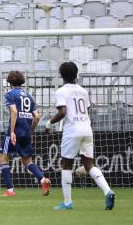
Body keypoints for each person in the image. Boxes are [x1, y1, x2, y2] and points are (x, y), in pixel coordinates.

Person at [45, 62, 115, 210]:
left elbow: (63, 112)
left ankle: (68, 202)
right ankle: (108, 191)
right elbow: (87, 111)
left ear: (61, 74)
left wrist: (49, 123)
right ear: (76, 74)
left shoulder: (61, 91)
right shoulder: (83, 91)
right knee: (89, 165)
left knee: (66, 164)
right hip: (87, 128)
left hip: (72, 130)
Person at [0, 71, 51, 197]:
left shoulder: (10, 94)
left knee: (3, 158)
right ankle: (42, 180)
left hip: (15, 131)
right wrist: (31, 131)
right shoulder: (28, 96)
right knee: (27, 161)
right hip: (26, 131)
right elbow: (37, 117)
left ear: (9, 82)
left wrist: (12, 132)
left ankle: (10, 190)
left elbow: (14, 112)